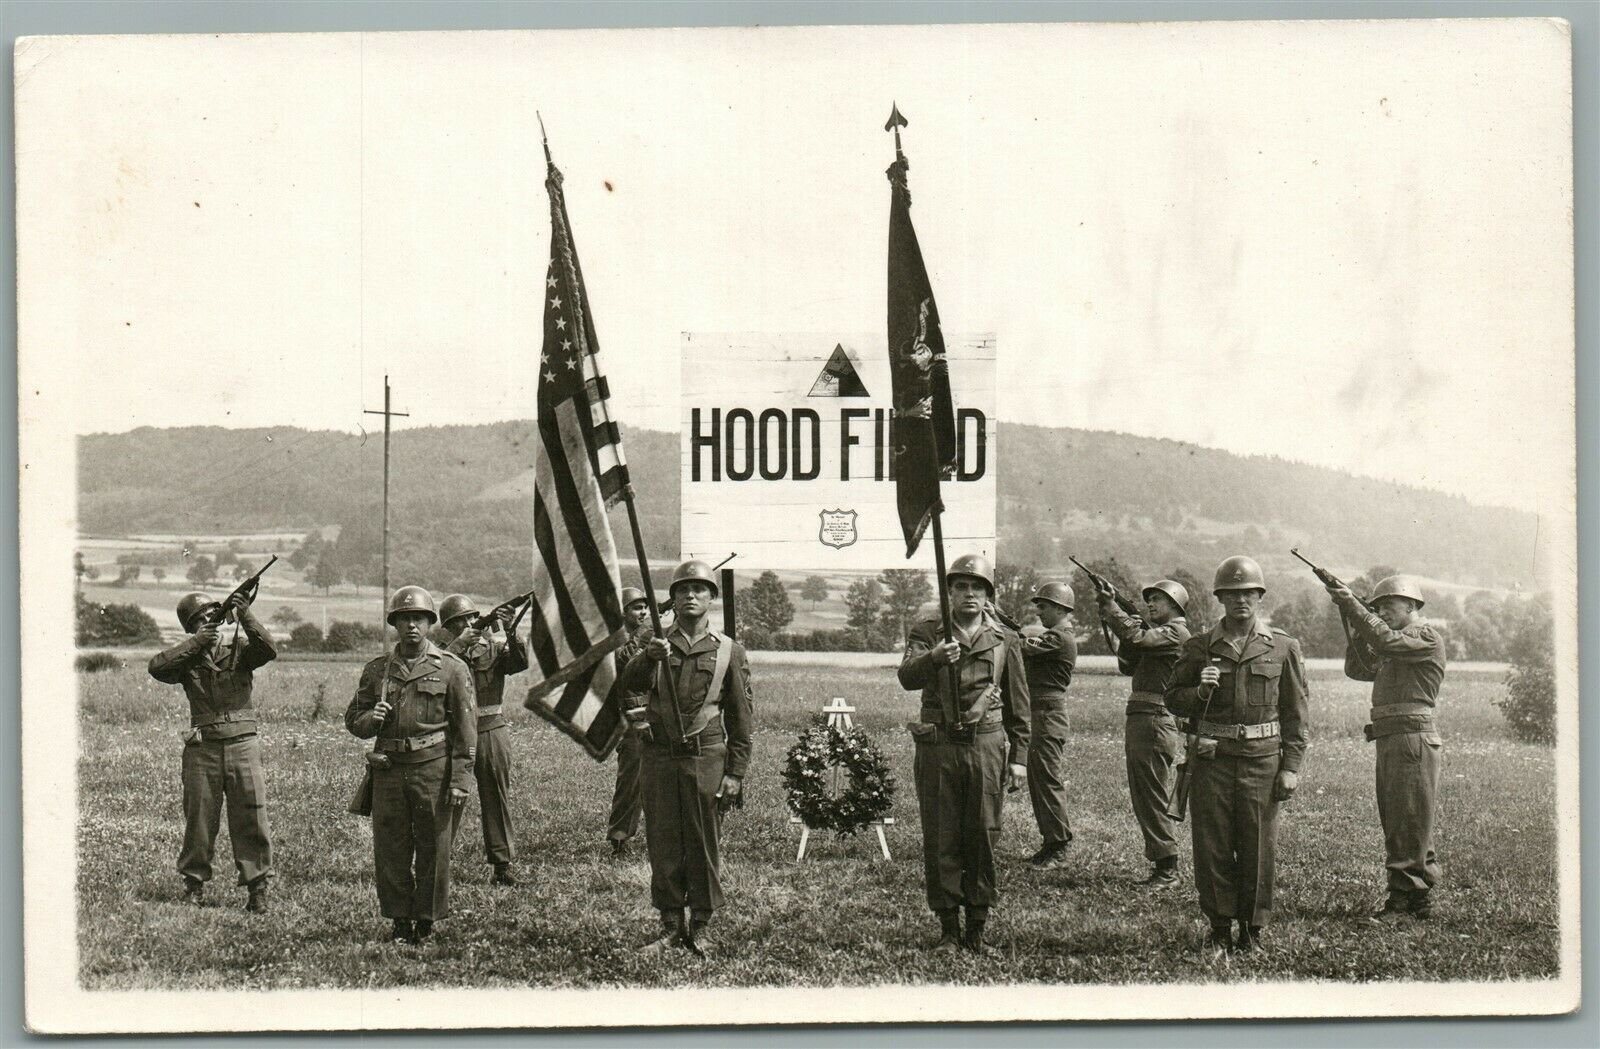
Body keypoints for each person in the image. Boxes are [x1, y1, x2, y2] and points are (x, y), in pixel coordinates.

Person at [1164, 556, 1308, 951]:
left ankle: (1252, 930)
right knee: (1212, 846)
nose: (1240, 600)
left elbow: (1296, 714)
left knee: (1259, 845)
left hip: (1263, 762)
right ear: (1220, 598)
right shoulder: (1198, 647)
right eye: (1231, 594)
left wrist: (1291, 767)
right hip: (1212, 761)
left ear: (1259, 597)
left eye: (1248, 593)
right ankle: (1218, 925)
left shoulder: (1282, 647)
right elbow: (1173, 700)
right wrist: (1199, 692)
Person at [618, 561, 753, 957]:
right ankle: (671, 927)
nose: (690, 596)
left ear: (712, 597)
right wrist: (647, 658)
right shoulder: (654, 643)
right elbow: (628, 684)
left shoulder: (729, 650)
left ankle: (702, 926)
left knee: (703, 842)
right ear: (672, 599)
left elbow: (742, 717)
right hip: (660, 756)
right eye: (682, 590)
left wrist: (736, 773)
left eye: (699, 589)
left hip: (707, 755)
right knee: (663, 842)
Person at [898, 553, 1031, 954]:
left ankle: (977, 927)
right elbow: (906, 677)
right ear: (949, 593)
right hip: (938, 746)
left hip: (986, 745)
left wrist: (1020, 757)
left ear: (988, 595)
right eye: (960, 586)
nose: (969, 593)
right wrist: (935, 656)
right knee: (941, 834)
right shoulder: (928, 632)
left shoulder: (1005, 639)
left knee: (983, 833)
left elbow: (1019, 703)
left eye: (977, 587)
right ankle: (948, 929)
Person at [345, 586, 477, 945]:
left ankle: (427, 919)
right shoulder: (377, 671)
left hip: (432, 770)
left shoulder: (451, 669)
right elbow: (353, 720)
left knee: (434, 845)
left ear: (430, 623)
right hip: (388, 770)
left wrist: (460, 780)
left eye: (418, 618)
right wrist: (372, 719)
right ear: (394, 625)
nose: (411, 626)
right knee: (391, 848)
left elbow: (467, 732)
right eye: (403, 620)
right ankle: (400, 919)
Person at [1326, 573, 1446, 922]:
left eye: (1388, 605)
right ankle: (1418, 900)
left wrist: (1354, 606)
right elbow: (1358, 668)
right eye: (1377, 607)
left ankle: (1401, 905)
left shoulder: (1424, 636)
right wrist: (1354, 620)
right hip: (1394, 736)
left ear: (1411, 605)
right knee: (1404, 818)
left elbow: (1386, 641)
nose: (1381, 611)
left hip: (1411, 737)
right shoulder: (1394, 644)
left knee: (1406, 818)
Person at [147, 590, 277, 912]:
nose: (208, 622)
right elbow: (156, 667)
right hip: (203, 746)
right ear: (191, 628)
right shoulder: (188, 655)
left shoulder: (241, 648)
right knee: (200, 818)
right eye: (199, 620)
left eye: (212, 615)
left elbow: (269, 649)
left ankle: (257, 889)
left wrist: (246, 616)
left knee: (251, 814)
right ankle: (194, 886)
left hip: (242, 742)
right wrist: (196, 644)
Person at [1095, 577, 1193, 888]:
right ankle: (1163, 863)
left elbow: (1139, 640)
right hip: (1143, 718)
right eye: (1148, 599)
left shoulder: (1176, 631)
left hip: (1153, 719)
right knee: (1145, 794)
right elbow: (1128, 662)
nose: (1150, 603)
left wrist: (1113, 609)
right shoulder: (1155, 634)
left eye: (1157, 599)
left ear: (1175, 604)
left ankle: (1167, 868)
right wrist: (1117, 621)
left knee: (1151, 794)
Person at [438, 593, 528, 886]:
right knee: (448, 799)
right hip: (453, 734)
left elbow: (518, 663)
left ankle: (502, 866)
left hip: (490, 727)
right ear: (449, 627)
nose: (468, 624)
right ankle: (436, 863)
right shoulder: (443, 652)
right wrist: (461, 643)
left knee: (496, 796)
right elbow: (438, 673)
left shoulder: (493, 647)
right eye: (460, 622)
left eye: (471, 618)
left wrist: (509, 629)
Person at [1019, 581, 1076, 869]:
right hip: (1040, 714)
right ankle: (1050, 842)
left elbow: (1022, 646)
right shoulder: (1054, 636)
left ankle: (1059, 845)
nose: (1039, 611)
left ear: (1059, 608)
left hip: (1048, 715)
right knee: (1039, 779)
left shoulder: (1059, 638)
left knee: (1047, 779)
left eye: (1043, 606)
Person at [606, 587, 654, 855]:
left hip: (655, 713)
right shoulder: (615, 639)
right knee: (631, 780)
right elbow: (623, 661)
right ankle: (620, 838)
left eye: (645, 607)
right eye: (636, 608)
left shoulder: (646, 634)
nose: (643, 612)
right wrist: (644, 635)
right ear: (622, 612)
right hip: (631, 718)